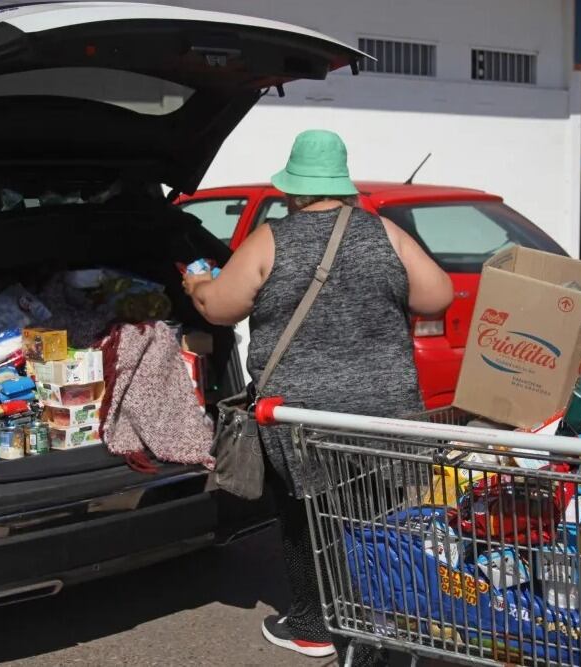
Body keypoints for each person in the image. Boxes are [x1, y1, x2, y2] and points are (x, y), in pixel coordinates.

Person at [184, 129, 453, 662]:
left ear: (294, 188)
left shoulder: (272, 239)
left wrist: (196, 283)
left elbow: (219, 307)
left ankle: (314, 624)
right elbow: (438, 295)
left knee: (306, 516)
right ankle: (379, 613)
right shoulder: (385, 234)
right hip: (384, 413)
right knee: (374, 515)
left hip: (301, 415)